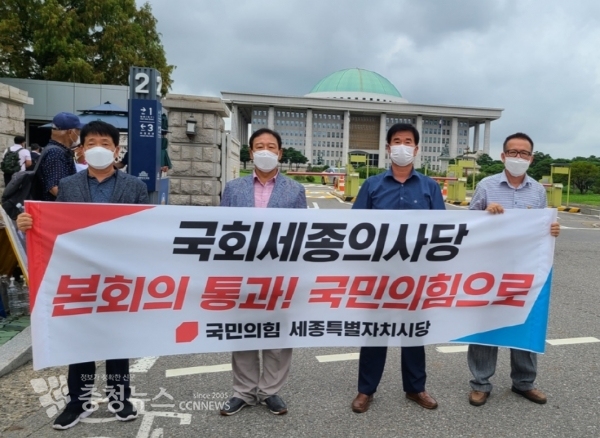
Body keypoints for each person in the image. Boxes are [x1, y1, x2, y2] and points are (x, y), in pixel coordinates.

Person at [17, 120, 148, 430]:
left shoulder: (135, 187)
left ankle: (120, 398)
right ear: (82, 149)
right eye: (91, 143)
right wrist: (29, 224)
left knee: (117, 341)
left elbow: (148, 231)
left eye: (105, 143)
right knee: (80, 341)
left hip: (119, 277)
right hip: (79, 276)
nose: (98, 148)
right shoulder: (69, 186)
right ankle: (78, 401)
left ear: (117, 150)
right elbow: (54, 225)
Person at [351, 123, 444, 414]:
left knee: (413, 332)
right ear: (388, 148)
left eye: (408, 141)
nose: (402, 146)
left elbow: (443, 229)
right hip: (378, 274)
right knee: (375, 332)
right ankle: (366, 390)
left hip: (416, 275)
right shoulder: (372, 185)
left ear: (416, 149)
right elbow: (354, 227)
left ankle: (416, 388)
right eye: (396, 141)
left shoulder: (429, 187)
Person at [467, 132, 560, 407]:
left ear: (531, 158)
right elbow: (467, 224)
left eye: (524, 153)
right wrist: (485, 215)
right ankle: (480, 383)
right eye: (513, 152)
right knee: (486, 324)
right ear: (503, 156)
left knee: (525, 320)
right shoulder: (486, 186)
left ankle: (524, 382)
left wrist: (552, 229)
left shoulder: (537, 190)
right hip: (490, 267)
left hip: (525, 268)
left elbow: (541, 226)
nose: (518, 157)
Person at [219, 128, 307, 416]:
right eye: (259, 146)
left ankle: (270, 390)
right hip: (241, 272)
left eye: (271, 147)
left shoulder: (295, 190)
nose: (265, 151)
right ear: (251, 152)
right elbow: (221, 230)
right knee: (243, 330)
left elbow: (302, 235)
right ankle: (243, 391)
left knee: (276, 333)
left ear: (279, 153)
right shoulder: (234, 189)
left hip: (280, 272)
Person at [38, 112, 83, 200]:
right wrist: (78, 200)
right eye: (78, 131)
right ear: (70, 132)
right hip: (55, 206)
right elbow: (55, 188)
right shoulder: (56, 153)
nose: (79, 134)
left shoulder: (53, 150)